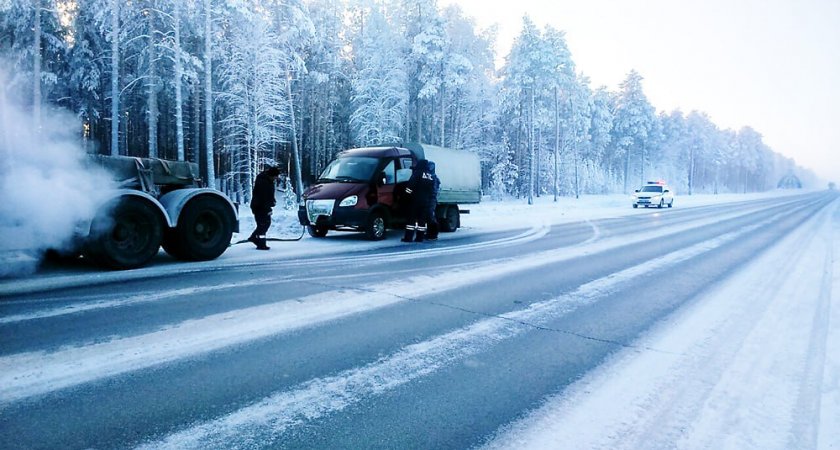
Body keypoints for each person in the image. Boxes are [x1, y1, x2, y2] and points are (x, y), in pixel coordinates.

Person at [402, 159, 435, 243]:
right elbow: (432, 190)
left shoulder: (417, 173)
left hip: (415, 200)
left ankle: (408, 238)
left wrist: (405, 196)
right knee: (422, 220)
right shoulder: (430, 176)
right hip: (426, 202)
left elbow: (410, 187)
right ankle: (419, 238)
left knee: (411, 220)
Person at [248, 165, 281, 250]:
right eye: (275, 176)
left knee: (263, 224)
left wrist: (272, 201)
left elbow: (268, 195)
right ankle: (260, 243)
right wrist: (269, 206)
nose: (276, 178)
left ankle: (255, 238)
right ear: (272, 175)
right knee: (264, 224)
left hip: (260, 206)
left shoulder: (266, 180)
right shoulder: (264, 182)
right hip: (260, 207)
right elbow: (264, 197)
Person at [425, 160, 441, 241]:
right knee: (429, 216)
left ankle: (433, 234)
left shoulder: (433, 177)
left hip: (431, 199)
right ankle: (430, 233)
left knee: (430, 216)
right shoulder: (430, 176)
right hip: (430, 199)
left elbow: (434, 190)